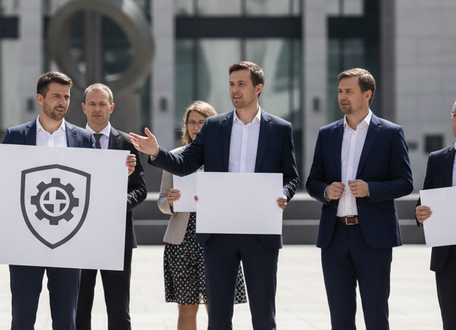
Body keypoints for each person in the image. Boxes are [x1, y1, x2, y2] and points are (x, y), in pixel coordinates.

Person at [130, 61, 299, 330]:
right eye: (231, 84)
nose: (234, 89)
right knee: (218, 318)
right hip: (219, 233)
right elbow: (185, 164)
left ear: (259, 88)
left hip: (261, 231)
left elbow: (291, 176)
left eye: (241, 84)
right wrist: (157, 153)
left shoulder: (279, 129)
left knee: (264, 316)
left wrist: (284, 193)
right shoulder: (214, 126)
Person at [0, 72, 136, 330]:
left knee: (66, 321)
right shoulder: (16, 136)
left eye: (67, 96)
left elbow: (94, 188)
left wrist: (118, 176)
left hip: (68, 246)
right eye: (56, 96)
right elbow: (0, 185)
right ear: (40, 98)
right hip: (25, 244)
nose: (62, 102)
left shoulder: (82, 140)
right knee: (22, 319)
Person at [306, 68, 413, 330]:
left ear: (367, 94)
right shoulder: (327, 134)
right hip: (335, 237)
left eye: (349, 91)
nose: (342, 96)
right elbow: (312, 182)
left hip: (374, 238)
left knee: (376, 316)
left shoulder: (389, 133)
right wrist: (324, 191)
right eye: (340, 91)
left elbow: (405, 182)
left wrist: (371, 189)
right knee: (340, 319)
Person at [157, 101, 246, 330]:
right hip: (182, 240)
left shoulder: (226, 158)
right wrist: (170, 201)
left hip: (217, 238)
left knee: (216, 307)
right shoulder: (174, 157)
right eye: (192, 122)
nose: (196, 127)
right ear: (185, 126)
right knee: (186, 307)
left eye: (202, 122)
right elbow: (161, 201)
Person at [75, 83, 147, 330]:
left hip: (116, 238)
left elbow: (140, 189)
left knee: (118, 310)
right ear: (83, 108)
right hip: (78, 237)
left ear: (111, 107)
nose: (97, 109)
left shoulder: (126, 143)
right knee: (79, 309)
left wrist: (117, 203)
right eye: (92, 104)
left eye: (102, 104)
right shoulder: (70, 142)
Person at [415, 100, 456, 330]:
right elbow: (426, 199)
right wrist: (419, 212)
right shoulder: (438, 159)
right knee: (450, 321)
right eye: (455, 114)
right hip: (447, 256)